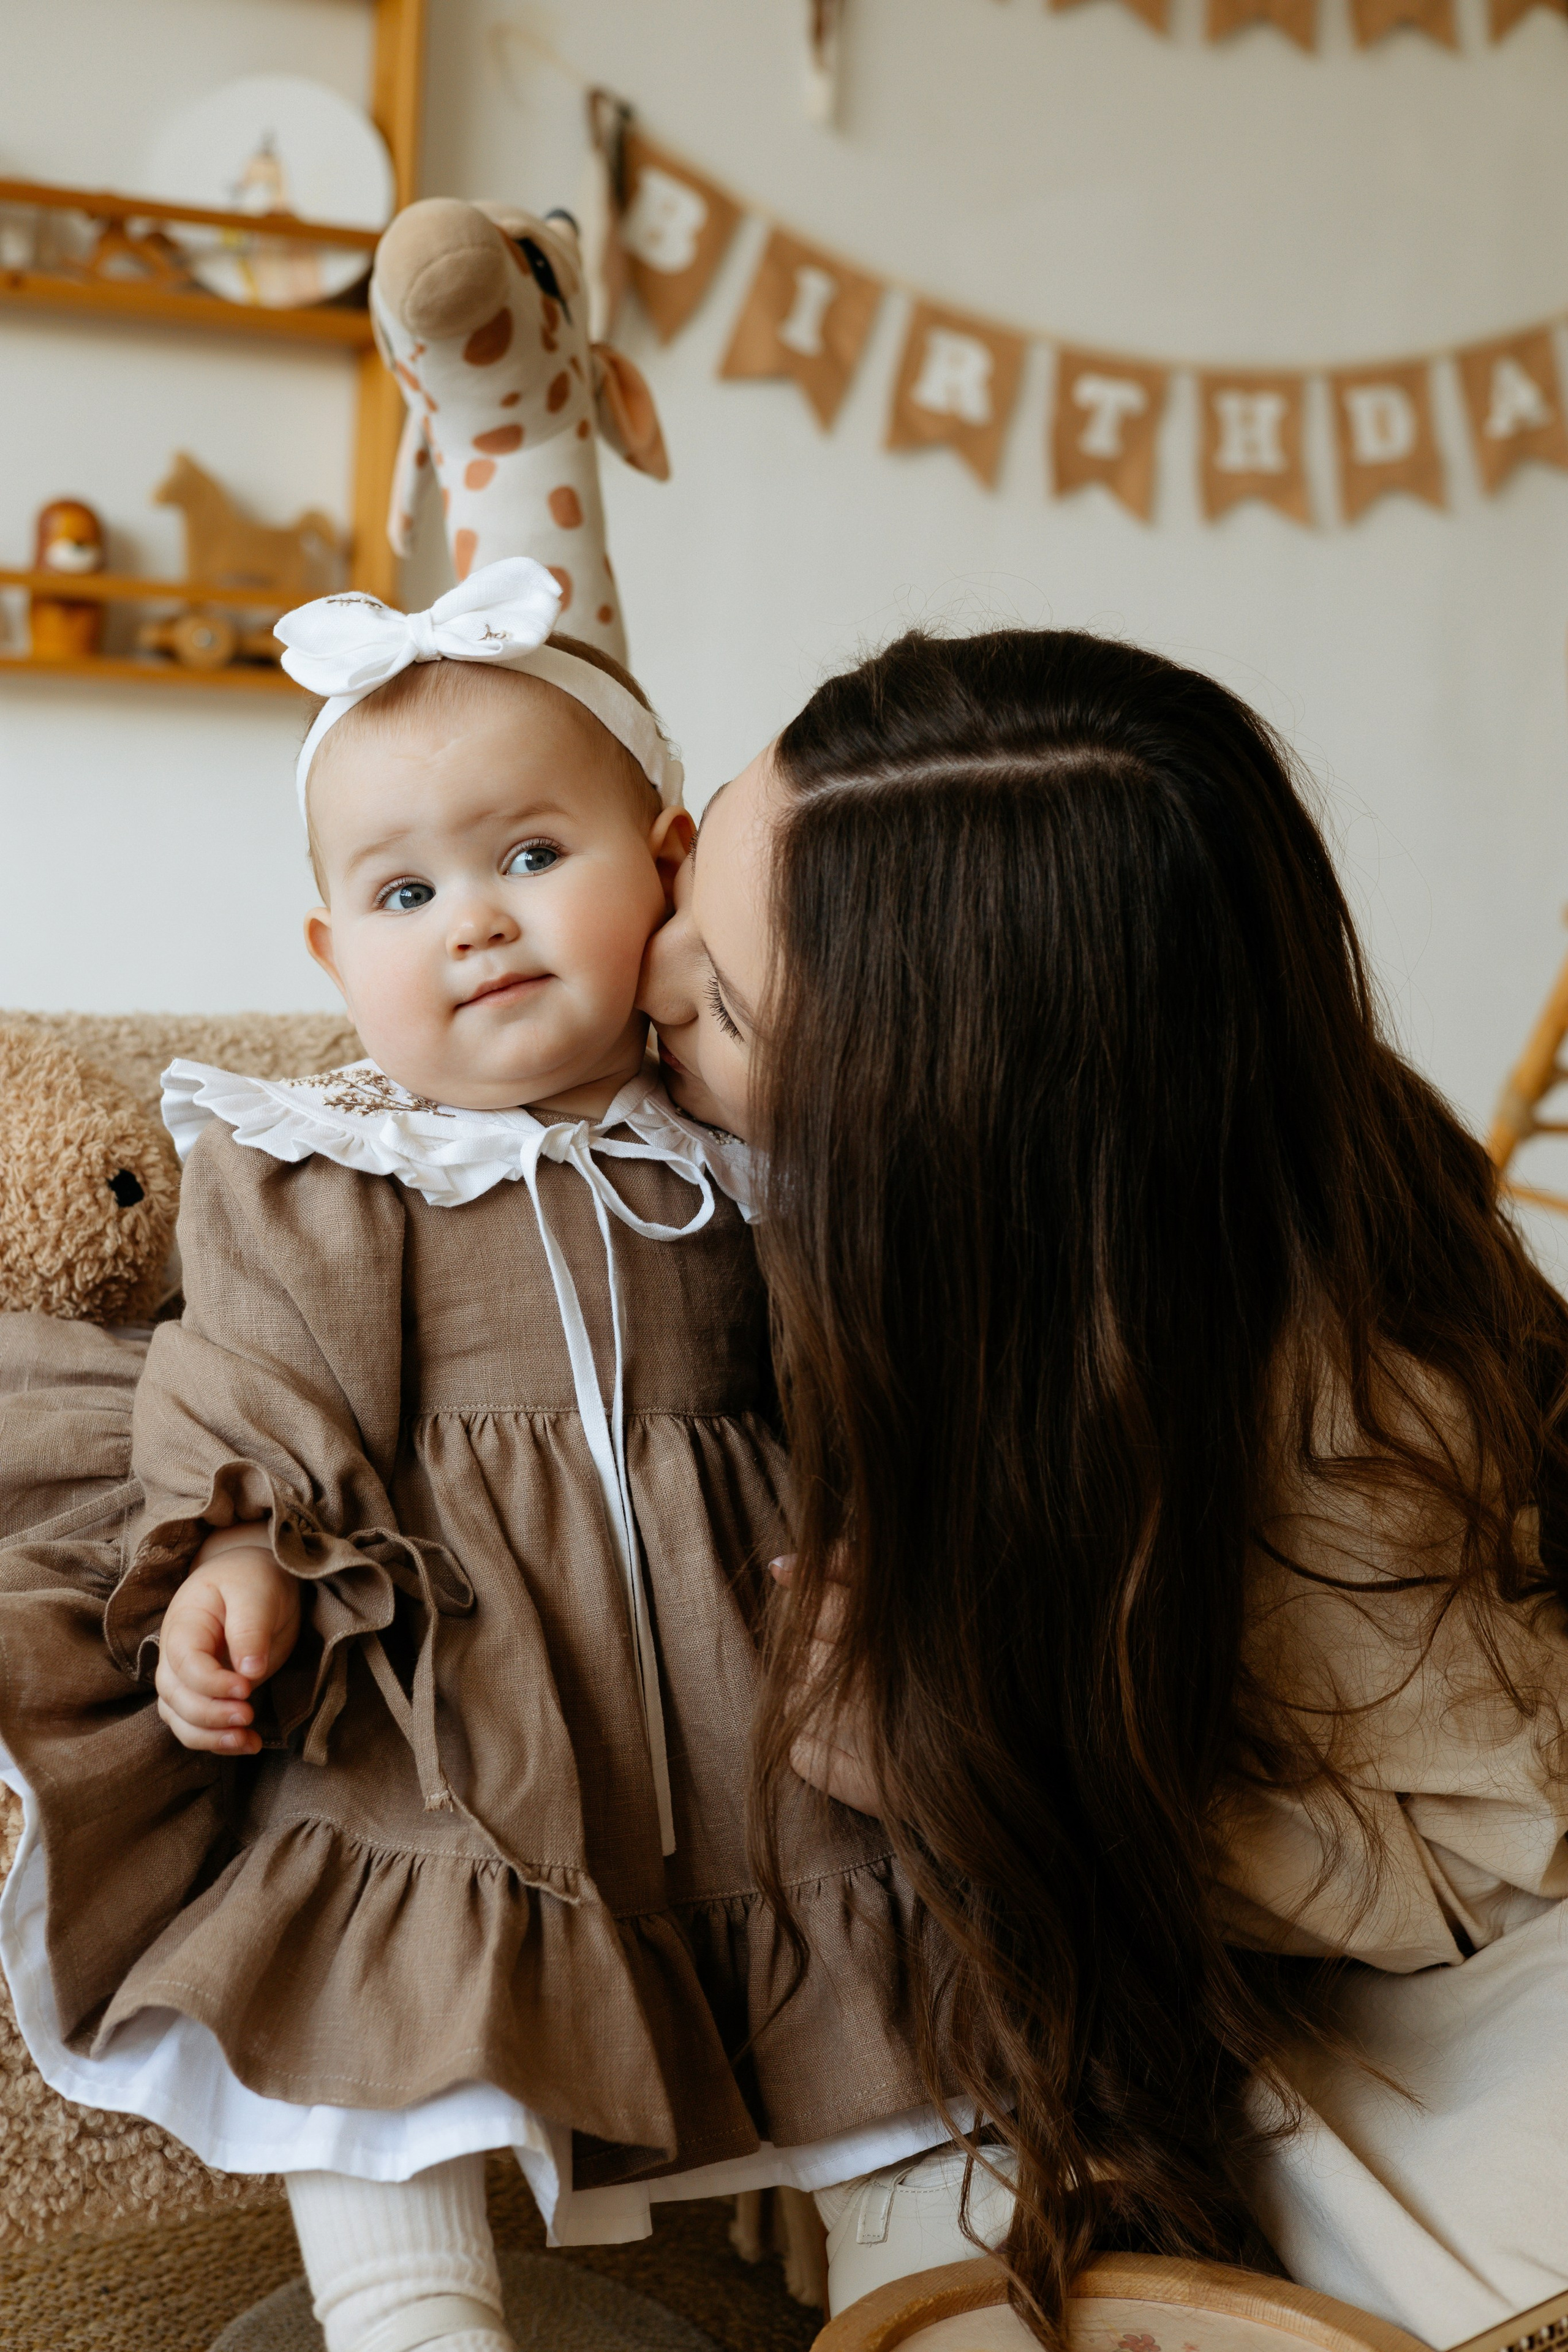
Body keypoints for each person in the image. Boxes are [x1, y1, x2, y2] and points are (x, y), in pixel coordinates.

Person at [0, 564, 953, 2352]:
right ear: (331, 957)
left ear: (669, 869)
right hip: (458, 1686)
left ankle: (924, 2278)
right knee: (391, 2018)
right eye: (406, 892)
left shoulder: (746, 1137)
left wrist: (885, 1541)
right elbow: (252, 1375)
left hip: (749, 1664)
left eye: (534, 857)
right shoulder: (331, 1165)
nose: (477, 924)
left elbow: (868, 1365)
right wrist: (238, 1560)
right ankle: (415, 2312)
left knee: (883, 1973)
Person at [638, 625, 1568, 2350]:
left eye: (735, 1000)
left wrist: (956, 1760)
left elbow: (1496, 1853)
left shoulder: (1334, 1402)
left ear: (953, 1131)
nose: (654, 969)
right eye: (693, 861)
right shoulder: (884, 1216)